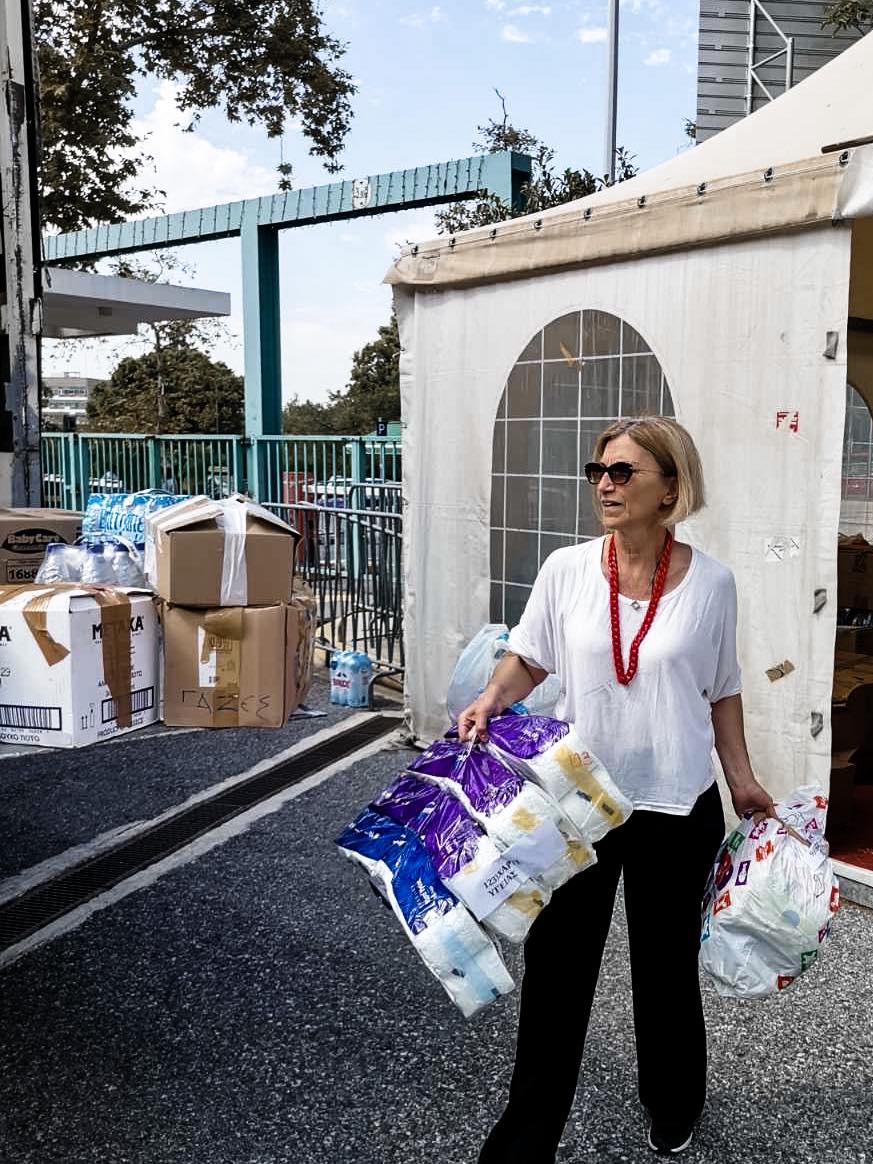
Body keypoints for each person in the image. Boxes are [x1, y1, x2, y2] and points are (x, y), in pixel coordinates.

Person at [459, 416, 774, 1161]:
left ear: (670, 487)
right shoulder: (566, 569)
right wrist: (491, 697)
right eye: (597, 470)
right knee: (556, 975)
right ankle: (525, 1139)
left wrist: (741, 779)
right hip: (579, 803)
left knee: (664, 973)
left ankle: (673, 1102)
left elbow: (723, 688)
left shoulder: (713, 583)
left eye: (623, 471)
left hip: (676, 804)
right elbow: (529, 656)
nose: (604, 484)